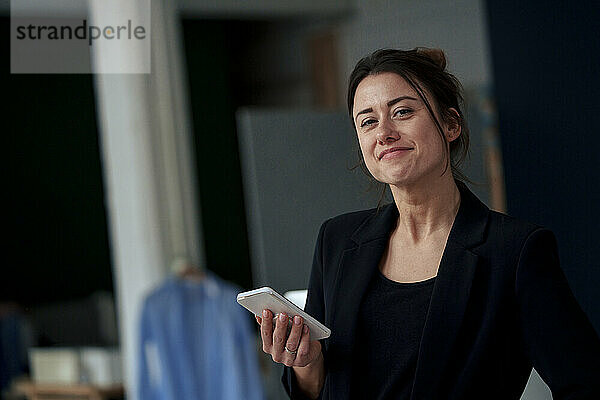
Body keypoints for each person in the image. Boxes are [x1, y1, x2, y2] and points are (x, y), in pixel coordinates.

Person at [256, 48, 600, 399]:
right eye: (368, 121)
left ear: (451, 124)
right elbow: (320, 390)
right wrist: (305, 363)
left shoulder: (514, 251)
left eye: (402, 112)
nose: (384, 133)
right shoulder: (338, 240)